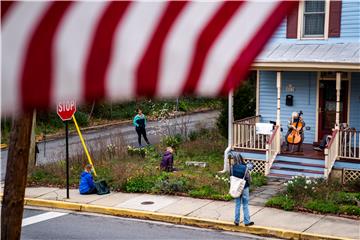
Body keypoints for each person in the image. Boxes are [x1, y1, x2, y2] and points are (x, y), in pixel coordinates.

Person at [231, 153, 254, 227]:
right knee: (245, 204)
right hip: (244, 187)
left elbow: (231, 176)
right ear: (241, 158)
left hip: (236, 188)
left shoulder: (232, 167)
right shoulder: (245, 167)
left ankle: (236, 221)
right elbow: (249, 178)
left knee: (237, 204)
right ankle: (247, 222)